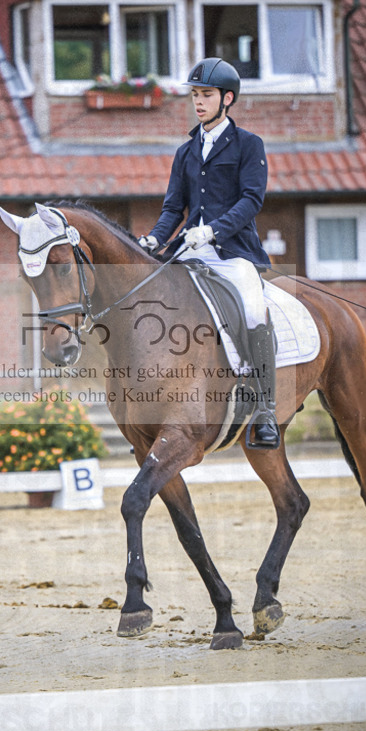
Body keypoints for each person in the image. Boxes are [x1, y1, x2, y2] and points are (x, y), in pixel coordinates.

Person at [139, 57, 280, 449]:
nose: (198, 102)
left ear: (227, 98)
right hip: (188, 251)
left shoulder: (249, 145)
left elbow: (252, 200)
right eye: (195, 95)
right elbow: (172, 208)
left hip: (234, 252)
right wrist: (154, 239)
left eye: (206, 95)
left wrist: (214, 230)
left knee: (253, 309)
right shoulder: (186, 151)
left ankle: (266, 409)